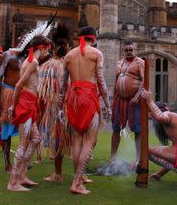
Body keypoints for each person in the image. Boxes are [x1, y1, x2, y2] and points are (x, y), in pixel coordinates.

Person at [62, 26, 111, 194]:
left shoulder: (68, 56)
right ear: (94, 38)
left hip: (72, 99)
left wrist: (62, 106)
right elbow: (101, 81)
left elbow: (63, 85)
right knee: (90, 140)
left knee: (77, 140)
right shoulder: (96, 54)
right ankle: (76, 183)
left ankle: (80, 177)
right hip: (88, 97)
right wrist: (107, 104)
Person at [7, 35, 51, 192]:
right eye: (47, 48)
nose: (48, 52)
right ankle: (13, 182)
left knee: (36, 138)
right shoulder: (32, 62)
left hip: (30, 103)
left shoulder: (30, 61)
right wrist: (13, 105)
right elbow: (19, 85)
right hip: (25, 104)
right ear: (42, 47)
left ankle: (22, 175)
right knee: (23, 143)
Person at [39, 23, 72, 183]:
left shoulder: (50, 65)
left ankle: (61, 174)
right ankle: (78, 175)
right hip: (65, 108)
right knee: (68, 140)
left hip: (63, 108)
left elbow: (42, 92)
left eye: (62, 45)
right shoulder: (71, 63)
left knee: (64, 141)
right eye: (61, 45)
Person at [110, 40, 144, 165]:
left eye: (131, 49)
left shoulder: (140, 62)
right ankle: (113, 157)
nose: (129, 52)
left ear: (135, 50)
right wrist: (113, 100)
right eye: (126, 50)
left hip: (134, 101)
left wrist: (137, 96)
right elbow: (115, 83)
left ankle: (138, 158)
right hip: (120, 100)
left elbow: (145, 82)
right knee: (115, 128)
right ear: (123, 50)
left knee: (138, 129)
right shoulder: (119, 63)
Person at [0, 48, 26, 172]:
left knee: (26, 129)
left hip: (23, 96)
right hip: (9, 94)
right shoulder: (7, 55)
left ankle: (22, 161)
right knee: (6, 131)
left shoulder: (29, 57)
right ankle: (7, 163)